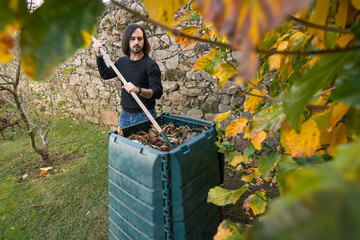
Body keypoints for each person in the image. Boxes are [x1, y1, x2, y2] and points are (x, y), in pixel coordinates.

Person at [93, 23, 163, 129]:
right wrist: (99, 55)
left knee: (143, 146)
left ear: (144, 41)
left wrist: (137, 90)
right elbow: (105, 74)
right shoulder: (122, 62)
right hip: (124, 117)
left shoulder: (150, 65)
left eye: (140, 38)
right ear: (127, 41)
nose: (136, 42)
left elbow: (157, 92)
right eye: (132, 39)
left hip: (145, 116)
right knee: (123, 145)